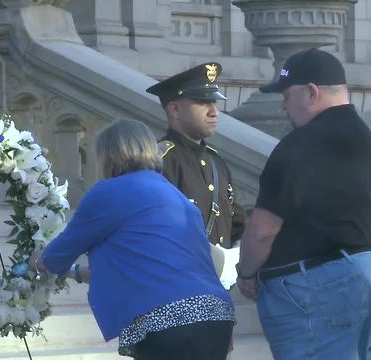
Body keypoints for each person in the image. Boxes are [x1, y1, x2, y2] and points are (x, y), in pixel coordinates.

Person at [31, 119, 234, 359]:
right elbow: (144, 268)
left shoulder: (108, 193)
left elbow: (56, 257)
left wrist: (37, 260)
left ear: (107, 156)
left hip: (167, 322)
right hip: (216, 316)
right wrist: (75, 273)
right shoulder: (174, 194)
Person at [235, 48, 371, 359]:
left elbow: (262, 230)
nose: (282, 104)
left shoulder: (301, 143)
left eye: (286, 94)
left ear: (311, 92)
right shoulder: (366, 140)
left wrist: (247, 273)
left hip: (322, 285)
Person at [146, 63, 246, 251]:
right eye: (203, 102)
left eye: (214, 102)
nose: (214, 111)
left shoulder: (216, 163)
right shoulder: (160, 162)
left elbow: (237, 225)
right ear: (175, 110)